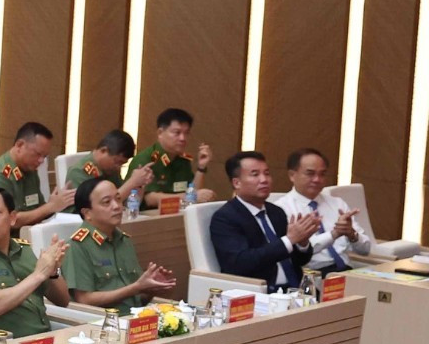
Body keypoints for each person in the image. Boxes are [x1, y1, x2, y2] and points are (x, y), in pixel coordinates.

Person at [0, 185, 71, 338]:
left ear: (12, 218)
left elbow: (63, 301)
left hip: (44, 341)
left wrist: (52, 272)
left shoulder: (24, 250)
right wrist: (38, 275)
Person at [61, 177, 175, 314]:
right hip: (104, 324)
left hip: (135, 317)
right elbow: (84, 300)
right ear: (87, 213)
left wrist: (150, 288)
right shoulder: (76, 246)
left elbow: (137, 299)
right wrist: (136, 288)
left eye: (118, 199)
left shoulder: (124, 240)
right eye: (107, 202)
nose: (116, 206)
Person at [212, 150, 318, 292]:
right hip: (262, 293)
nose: (264, 180)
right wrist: (289, 240)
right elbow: (240, 263)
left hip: (298, 289)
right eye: (255, 174)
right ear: (236, 183)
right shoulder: (225, 218)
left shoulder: (276, 212)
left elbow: (299, 261)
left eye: (267, 173)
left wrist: (302, 243)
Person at [274, 148, 368, 274]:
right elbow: (298, 250)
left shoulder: (337, 203)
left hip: (346, 272)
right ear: (292, 175)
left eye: (322, 174)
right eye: (310, 173)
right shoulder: (281, 209)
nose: (317, 179)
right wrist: (334, 234)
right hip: (312, 275)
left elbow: (366, 250)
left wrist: (352, 234)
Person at [0, 121, 72, 227]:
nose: (41, 161)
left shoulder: (30, 171)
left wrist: (54, 205)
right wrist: (49, 207)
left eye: (45, 156)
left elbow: (38, 210)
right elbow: (6, 222)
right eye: (38, 154)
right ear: (19, 145)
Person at [134, 107, 216, 205]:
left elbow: (194, 192)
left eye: (186, 133)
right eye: (177, 133)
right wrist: (189, 197)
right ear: (160, 133)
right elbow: (150, 198)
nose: (183, 138)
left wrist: (201, 168)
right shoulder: (148, 158)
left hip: (177, 214)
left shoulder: (183, 159)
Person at [63, 128, 154, 206]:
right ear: (103, 151)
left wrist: (138, 185)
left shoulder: (111, 171)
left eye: (122, 164)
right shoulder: (79, 171)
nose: (118, 167)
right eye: (117, 162)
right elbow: (99, 207)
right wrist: (131, 182)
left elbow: (126, 203)